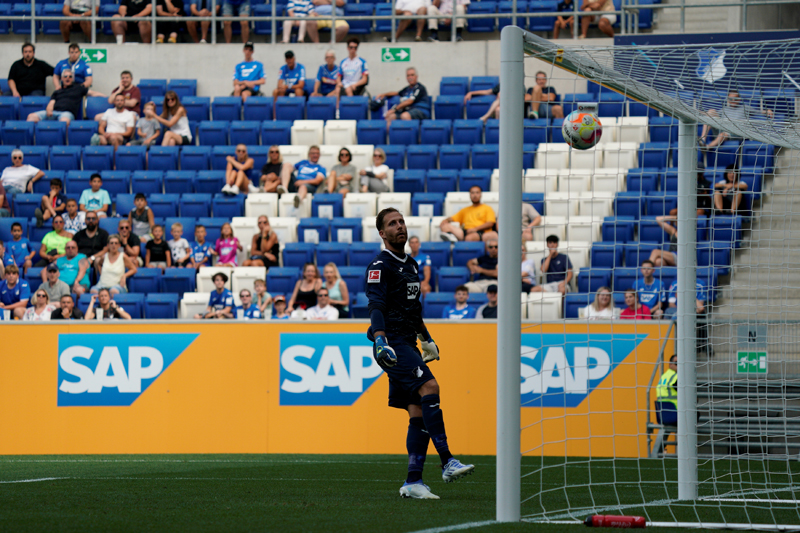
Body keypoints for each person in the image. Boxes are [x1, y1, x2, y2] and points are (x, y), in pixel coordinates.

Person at [366, 207, 475, 499]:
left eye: (401, 221)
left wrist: (426, 338)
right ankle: (447, 461)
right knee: (431, 387)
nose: (399, 226)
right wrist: (380, 340)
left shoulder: (412, 265)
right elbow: (376, 306)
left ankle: (413, 481)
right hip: (391, 344)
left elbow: (413, 310)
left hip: (408, 342)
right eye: (392, 223)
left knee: (417, 412)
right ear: (382, 233)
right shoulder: (380, 265)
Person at [27, 69, 103, 126]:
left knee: (63, 122)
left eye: (70, 76)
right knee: (31, 117)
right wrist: (49, 110)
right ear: (62, 79)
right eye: (65, 76)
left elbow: (93, 93)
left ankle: (60, 144)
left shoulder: (78, 88)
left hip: (67, 114)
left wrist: (106, 97)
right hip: (53, 112)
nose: (68, 78)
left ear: (72, 79)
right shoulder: (57, 91)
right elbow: (51, 102)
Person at [655, 355, 678, 426]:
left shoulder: (664, 376)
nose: (679, 365)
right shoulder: (676, 376)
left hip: (663, 416)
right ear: (670, 364)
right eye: (676, 363)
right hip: (677, 414)